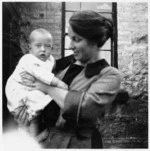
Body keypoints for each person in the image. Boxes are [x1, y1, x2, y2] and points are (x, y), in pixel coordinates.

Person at [14, 10, 122, 148]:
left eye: (76, 39)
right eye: (70, 38)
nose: (70, 45)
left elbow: (84, 109)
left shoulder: (109, 75)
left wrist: (47, 87)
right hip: (46, 139)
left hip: (79, 144)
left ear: (94, 41)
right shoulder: (61, 65)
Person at [5, 28, 68, 136]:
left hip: (30, 92)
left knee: (34, 117)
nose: (43, 49)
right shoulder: (28, 59)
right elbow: (41, 74)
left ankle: (34, 140)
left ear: (52, 47)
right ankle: (29, 140)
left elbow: (51, 69)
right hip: (18, 90)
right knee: (24, 121)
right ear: (30, 48)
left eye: (47, 46)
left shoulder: (50, 60)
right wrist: (58, 83)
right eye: (38, 46)